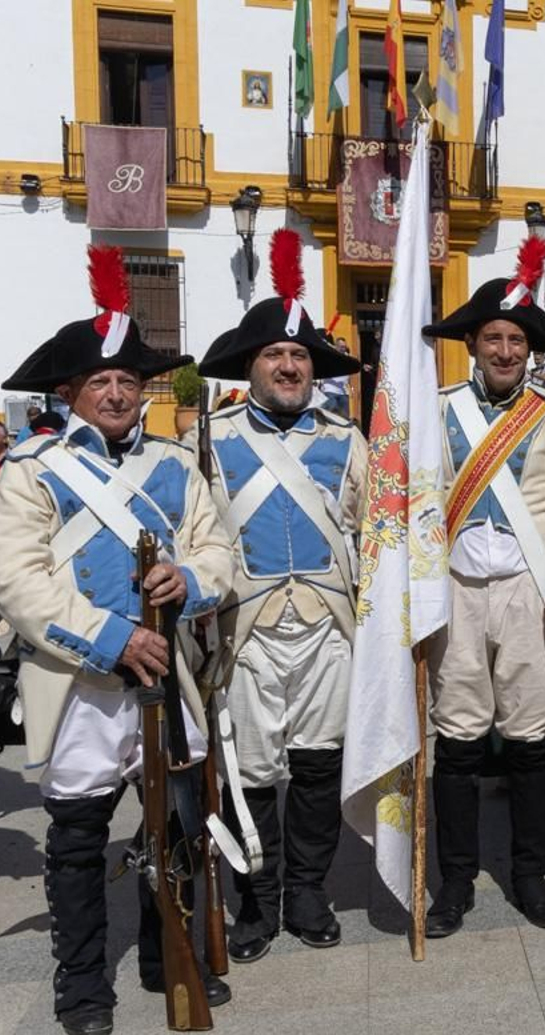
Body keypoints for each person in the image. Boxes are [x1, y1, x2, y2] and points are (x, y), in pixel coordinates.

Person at [0, 246, 236, 1035]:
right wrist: (112, 636)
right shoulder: (30, 469)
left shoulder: (174, 464)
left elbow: (217, 550)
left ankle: (171, 957)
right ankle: (83, 982)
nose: (120, 392)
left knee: (178, 829)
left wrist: (188, 585)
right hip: (80, 683)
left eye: (130, 381)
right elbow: (18, 582)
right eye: (102, 382)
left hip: (169, 680)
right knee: (78, 843)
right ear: (70, 393)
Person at [193, 229, 367, 963]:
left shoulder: (348, 438)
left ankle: (308, 889)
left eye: (299, 356)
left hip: (327, 625)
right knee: (252, 772)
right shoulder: (210, 438)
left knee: (319, 764)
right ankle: (256, 900)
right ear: (252, 365)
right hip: (249, 628)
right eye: (275, 355)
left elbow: (370, 530)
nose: (289, 365)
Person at [416, 237, 545, 937]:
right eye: (491, 337)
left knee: (530, 738)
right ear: (472, 343)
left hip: (529, 586)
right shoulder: (438, 410)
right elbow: (414, 499)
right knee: (457, 740)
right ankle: (455, 882)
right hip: (455, 588)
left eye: (514, 339)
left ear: (529, 349)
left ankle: (530, 873)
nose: (503, 350)